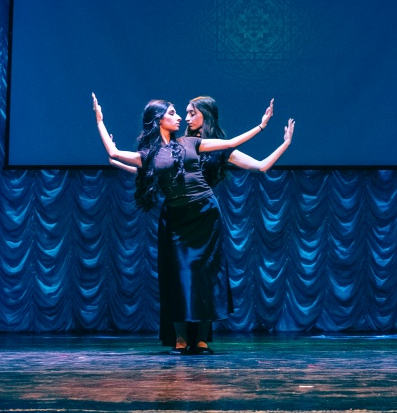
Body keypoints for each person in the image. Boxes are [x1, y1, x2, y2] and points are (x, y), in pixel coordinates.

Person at [108, 96, 297, 350]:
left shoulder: (216, 149)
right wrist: (124, 163)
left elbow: (261, 166)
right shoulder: (180, 143)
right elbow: (158, 170)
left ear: (205, 115)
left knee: (205, 276)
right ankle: (180, 337)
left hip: (204, 215)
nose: (186, 118)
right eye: (184, 113)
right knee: (179, 275)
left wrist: (285, 144)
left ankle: (201, 338)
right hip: (177, 215)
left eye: (192, 113)